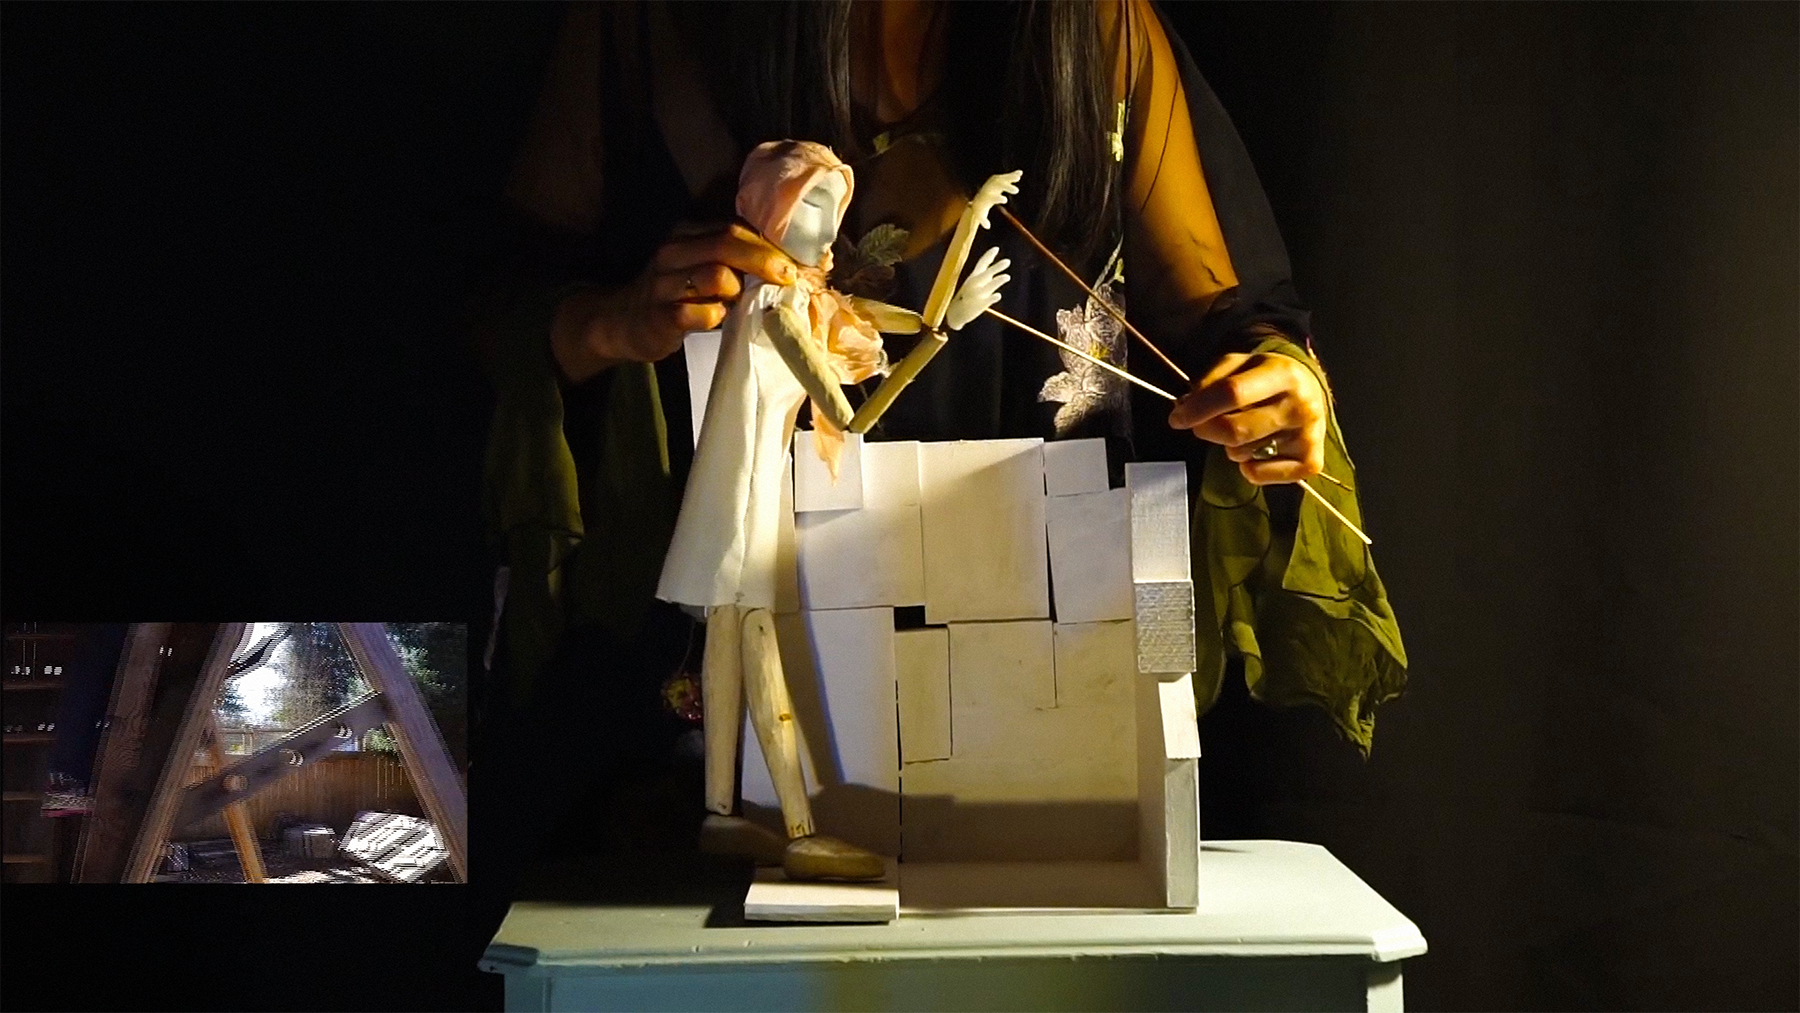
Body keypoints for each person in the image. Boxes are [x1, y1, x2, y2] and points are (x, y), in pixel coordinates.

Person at [473, 0, 1407, 875]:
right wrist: (607, 323)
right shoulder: (652, 26)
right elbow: (481, 319)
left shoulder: (1092, 29)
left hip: (1043, 717)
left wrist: (1276, 387)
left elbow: (1233, 323)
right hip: (690, 728)